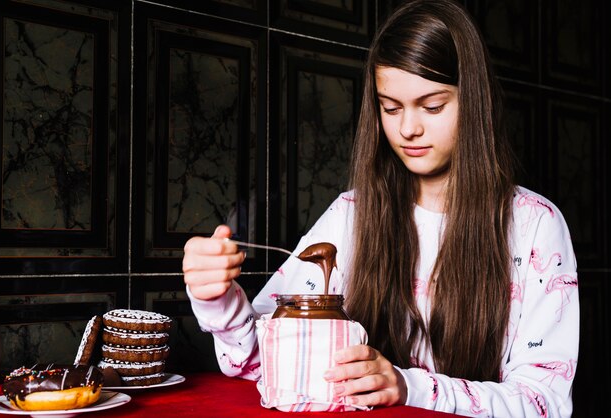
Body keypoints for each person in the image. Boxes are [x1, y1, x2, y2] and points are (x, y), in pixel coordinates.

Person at [182, 0, 579, 416]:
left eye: (432, 106)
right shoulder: (351, 214)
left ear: (474, 101)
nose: (408, 128)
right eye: (390, 107)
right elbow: (261, 362)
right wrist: (217, 300)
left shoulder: (534, 225)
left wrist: (408, 386)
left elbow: (544, 403)